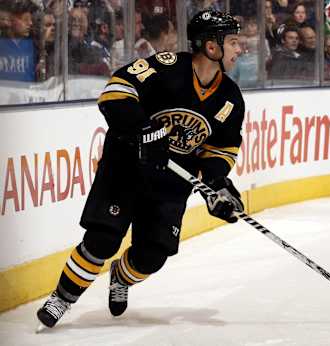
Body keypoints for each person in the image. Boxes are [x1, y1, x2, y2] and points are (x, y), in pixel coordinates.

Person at [36, 9, 245, 330]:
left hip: (170, 185)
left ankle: (120, 276)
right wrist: (144, 128)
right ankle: (63, 297)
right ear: (212, 47)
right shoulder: (166, 68)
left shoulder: (231, 98)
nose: (239, 49)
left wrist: (216, 183)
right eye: (233, 42)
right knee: (102, 240)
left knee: (152, 256)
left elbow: (222, 148)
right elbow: (116, 91)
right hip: (126, 168)